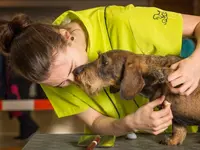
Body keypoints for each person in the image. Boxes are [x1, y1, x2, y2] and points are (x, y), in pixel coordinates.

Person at [0, 4, 200, 137]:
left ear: (67, 35)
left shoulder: (123, 20)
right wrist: (129, 123)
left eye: (73, 69)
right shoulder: (51, 73)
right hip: (124, 134)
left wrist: (195, 63)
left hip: (186, 119)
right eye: (63, 84)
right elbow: (95, 121)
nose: (74, 80)